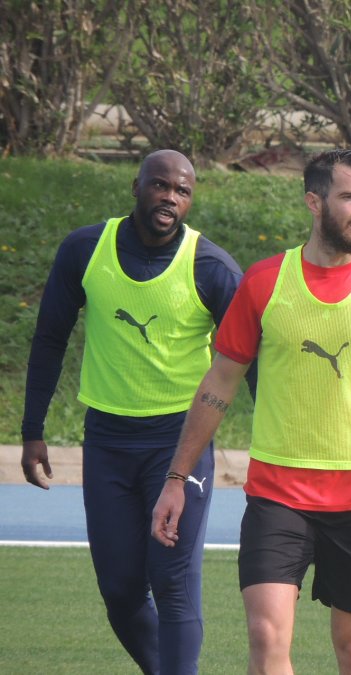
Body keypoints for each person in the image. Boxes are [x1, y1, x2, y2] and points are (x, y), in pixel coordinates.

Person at [150, 149, 351, 674]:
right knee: (266, 641)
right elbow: (219, 382)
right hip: (277, 497)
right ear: (314, 201)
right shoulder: (265, 282)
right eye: (350, 196)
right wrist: (177, 476)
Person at [20, 149, 245, 674]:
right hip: (107, 442)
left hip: (180, 444)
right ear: (136, 186)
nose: (170, 197)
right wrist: (32, 429)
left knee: (173, 583)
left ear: (191, 199)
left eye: (182, 190)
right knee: (120, 592)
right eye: (160, 185)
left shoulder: (212, 268)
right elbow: (50, 338)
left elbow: (246, 364)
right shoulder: (83, 250)